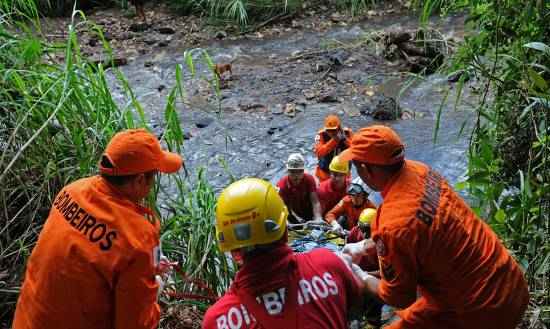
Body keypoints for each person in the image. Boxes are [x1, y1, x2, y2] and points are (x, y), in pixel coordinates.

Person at [340, 125, 529, 329]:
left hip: (481, 308)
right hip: (511, 283)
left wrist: (359, 274)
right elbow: (418, 228)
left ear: (366, 169)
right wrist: (363, 247)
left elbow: (398, 297)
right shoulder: (421, 170)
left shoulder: (392, 224)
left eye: (356, 165)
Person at [13, 128, 183, 329]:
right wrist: (156, 288)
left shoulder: (72, 191)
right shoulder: (138, 238)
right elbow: (136, 325)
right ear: (139, 181)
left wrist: (146, 267)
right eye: (153, 176)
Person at [202, 178, 364, 329]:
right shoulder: (329, 265)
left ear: (232, 251)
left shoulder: (217, 321)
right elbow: (355, 305)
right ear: (285, 231)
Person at [277, 153, 322, 223]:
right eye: (292, 172)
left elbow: (315, 202)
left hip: (309, 209)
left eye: (300, 171)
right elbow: (282, 209)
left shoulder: (309, 179)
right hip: (292, 212)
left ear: (303, 171)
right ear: (288, 171)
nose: (296, 176)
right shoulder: (282, 186)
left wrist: (318, 218)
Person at [314, 114, 352, 182]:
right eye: (328, 130)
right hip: (326, 173)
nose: (331, 132)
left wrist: (344, 139)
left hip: (343, 172)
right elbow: (319, 152)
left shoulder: (347, 133)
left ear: (339, 128)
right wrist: (335, 140)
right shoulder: (321, 134)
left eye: (334, 130)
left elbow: (355, 150)